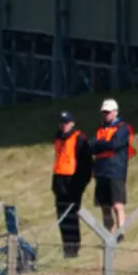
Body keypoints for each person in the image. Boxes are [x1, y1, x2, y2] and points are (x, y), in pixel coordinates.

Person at [92, 98, 135, 241]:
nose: (106, 115)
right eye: (104, 112)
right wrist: (103, 144)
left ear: (115, 112)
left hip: (116, 170)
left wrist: (100, 144)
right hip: (101, 171)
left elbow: (115, 144)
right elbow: (91, 146)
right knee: (105, 206)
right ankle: (108, 235)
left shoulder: (123, 128)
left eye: (108, 112)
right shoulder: (100, 129)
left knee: (118, 204)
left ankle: (120, 233)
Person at [52, 111, 92, 258]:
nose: (64, 126)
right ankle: (66, 247)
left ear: (72, 123)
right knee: (61, 216)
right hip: (60, 182)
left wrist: (79, 184)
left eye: (66, 123)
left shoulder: (80, 139)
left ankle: (74, 247)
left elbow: (87, 164)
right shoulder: (58, 138)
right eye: (62, 123)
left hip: (73, 183)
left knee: (72, 215)